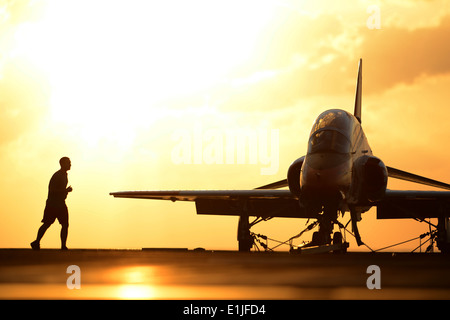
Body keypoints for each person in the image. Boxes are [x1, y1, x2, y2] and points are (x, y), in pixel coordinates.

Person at [31, 157, 72, 250]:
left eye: (70, 163)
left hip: (61, 203)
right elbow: (52, 190)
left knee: (65, 224)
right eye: (68, 163)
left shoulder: (65, 175)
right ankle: (36, 242)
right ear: (62, 164)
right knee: (47, 223)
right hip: (53, 204)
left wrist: (65, 192)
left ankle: (63, 246)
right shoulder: (57, 175)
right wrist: (65, 190)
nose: (70, 165)